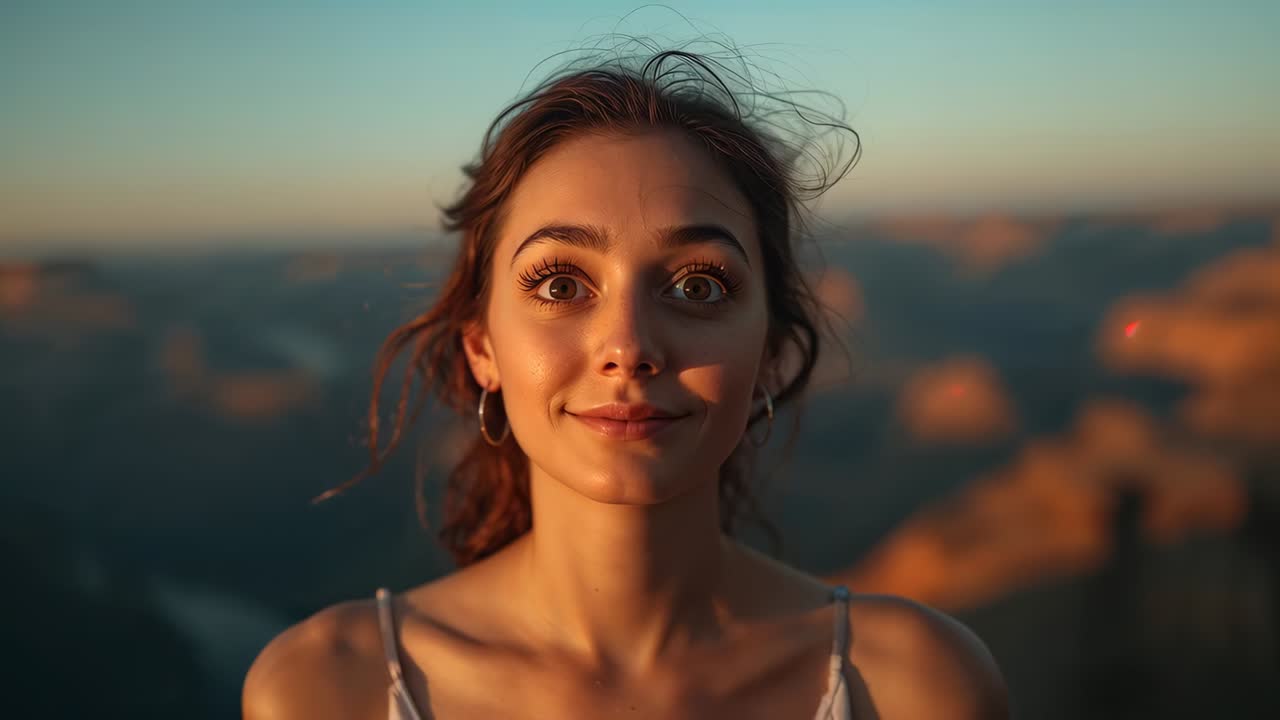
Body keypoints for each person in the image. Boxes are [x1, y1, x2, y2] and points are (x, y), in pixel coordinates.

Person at [243, 40, 1009, 719]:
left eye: (699, 286)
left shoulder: (918, 689)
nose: (629, 346)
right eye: (560, 285)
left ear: (771, 350)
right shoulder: (327, 691)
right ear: (482, 348)